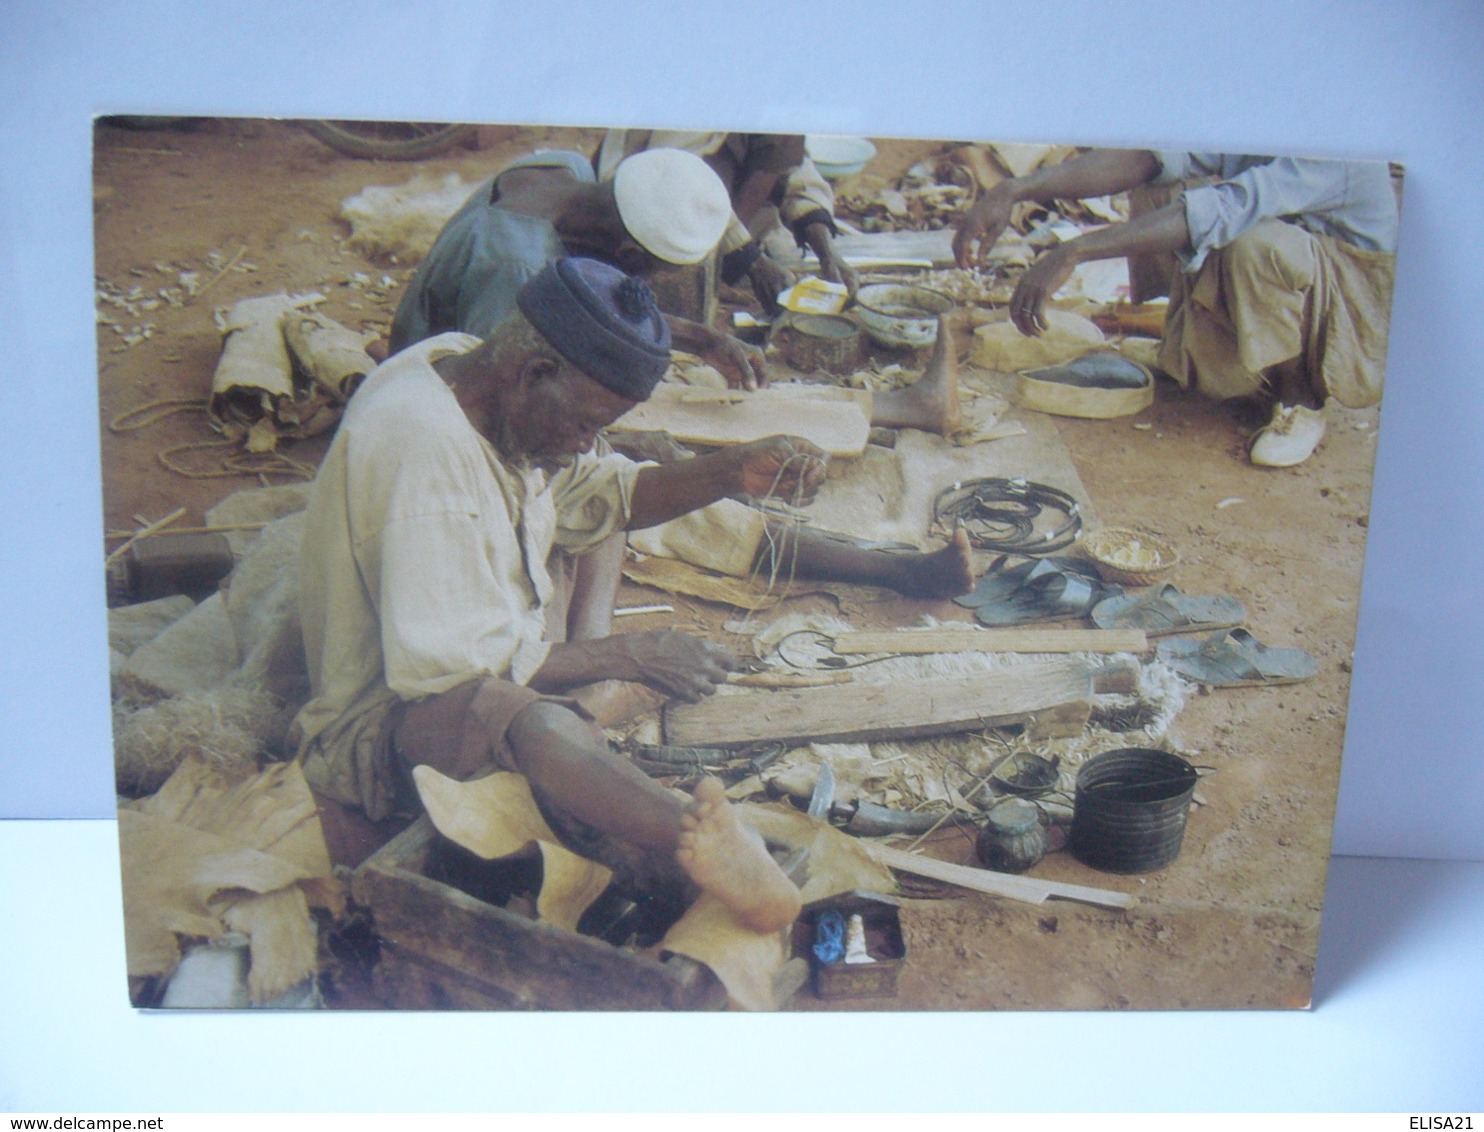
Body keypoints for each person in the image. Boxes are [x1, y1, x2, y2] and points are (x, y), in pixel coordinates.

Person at [292, 259, 969, 930]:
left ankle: (575, 729)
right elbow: (462, 670)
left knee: (598, 511)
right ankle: (695, 836)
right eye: (586, 422)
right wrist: (631, 656)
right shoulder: (423, 455)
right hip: (385, 724)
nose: (588, 442)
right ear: (534, 373)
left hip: (485, 632)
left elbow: (601, 491)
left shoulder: (469, 368)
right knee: (522, 716)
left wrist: (730, 470)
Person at [952, 149, 1399, 467]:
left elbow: (1229, 207)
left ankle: (1299, 398)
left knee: (1254, 244)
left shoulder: (1340, 147)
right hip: (1298, 272)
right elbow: (1154, 157)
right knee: (1160, 192)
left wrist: (1075, 252)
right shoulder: (1261, 108)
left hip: (1349, 310)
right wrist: (1018, 187)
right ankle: (1200, 350)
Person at [388, 147, 770, 390]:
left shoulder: (564, 166)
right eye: (652, 272)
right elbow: (494, 396)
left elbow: (578, 298)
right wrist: (619, 450)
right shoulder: (514, 268)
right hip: (427, 387)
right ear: (630, 255)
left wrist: (703, 340)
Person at [594, 130, 859, 309]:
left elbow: (798, 176)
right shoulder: (692, 117)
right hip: (642, 205)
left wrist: (827, 252)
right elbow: (674, 190)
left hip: (713, 206)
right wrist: (750, 259)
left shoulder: (777, 121)